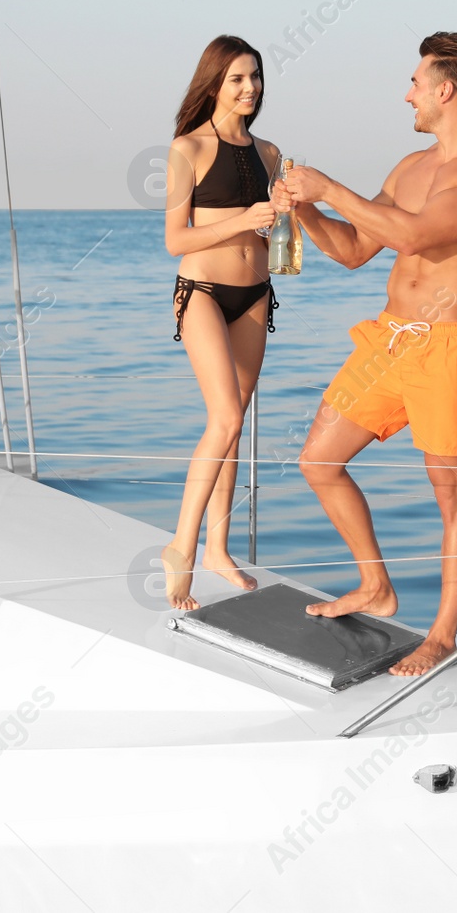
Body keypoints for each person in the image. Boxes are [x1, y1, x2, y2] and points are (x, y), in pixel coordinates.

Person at [273, 32, 457, 675]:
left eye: (415, 82)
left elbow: (415, 234)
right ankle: (376, 586)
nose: (407, 93)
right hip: (387, 339)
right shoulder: (410, 168)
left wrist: (327, 185)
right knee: (319, 460)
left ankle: (443, 634)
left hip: (448, 347)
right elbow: (354, 250)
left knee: (451, 495)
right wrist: (302, 209)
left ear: (446, 90)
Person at [160, 35, 282, 609]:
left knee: (235, 426)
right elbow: (174, 239)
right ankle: (180, 549)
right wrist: (243, 221)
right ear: (214, 82)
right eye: (236, 78)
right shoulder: (187, 149)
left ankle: (218, 549)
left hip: (256, 293)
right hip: (203, 292)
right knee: (226, 417)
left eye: (255, 77)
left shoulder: (271, 154)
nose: (249, 88)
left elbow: (272, 227)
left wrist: (283, 227)